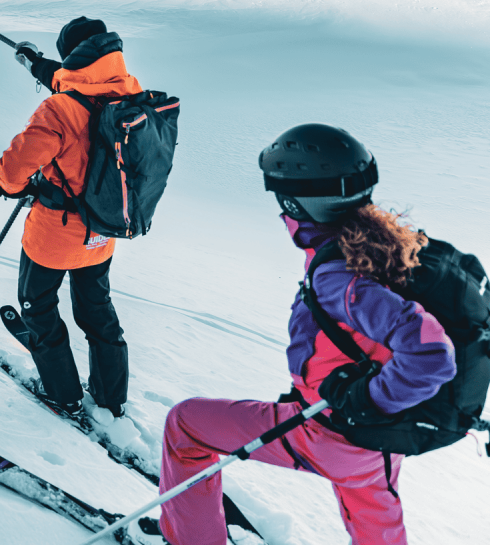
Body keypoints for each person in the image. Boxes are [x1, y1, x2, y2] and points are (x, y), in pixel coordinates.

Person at [147, 124, 457, 545]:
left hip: (328, 431)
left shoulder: (336, 275)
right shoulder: (383, 244)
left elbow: (430, 353)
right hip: (379, 445)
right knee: (377, 525)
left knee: (185, 425)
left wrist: (364, 401)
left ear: (295, 201)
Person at [0, 17, 143, 424]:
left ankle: (63, 394)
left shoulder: (58, 110)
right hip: (105, 230)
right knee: (96, 308)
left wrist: (12, 187)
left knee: (39, 308)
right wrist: (34, 63)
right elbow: (71, 83)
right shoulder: (130, 91)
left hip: (53, 237)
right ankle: (111, 396)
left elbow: (14, 168)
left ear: (73, 58)